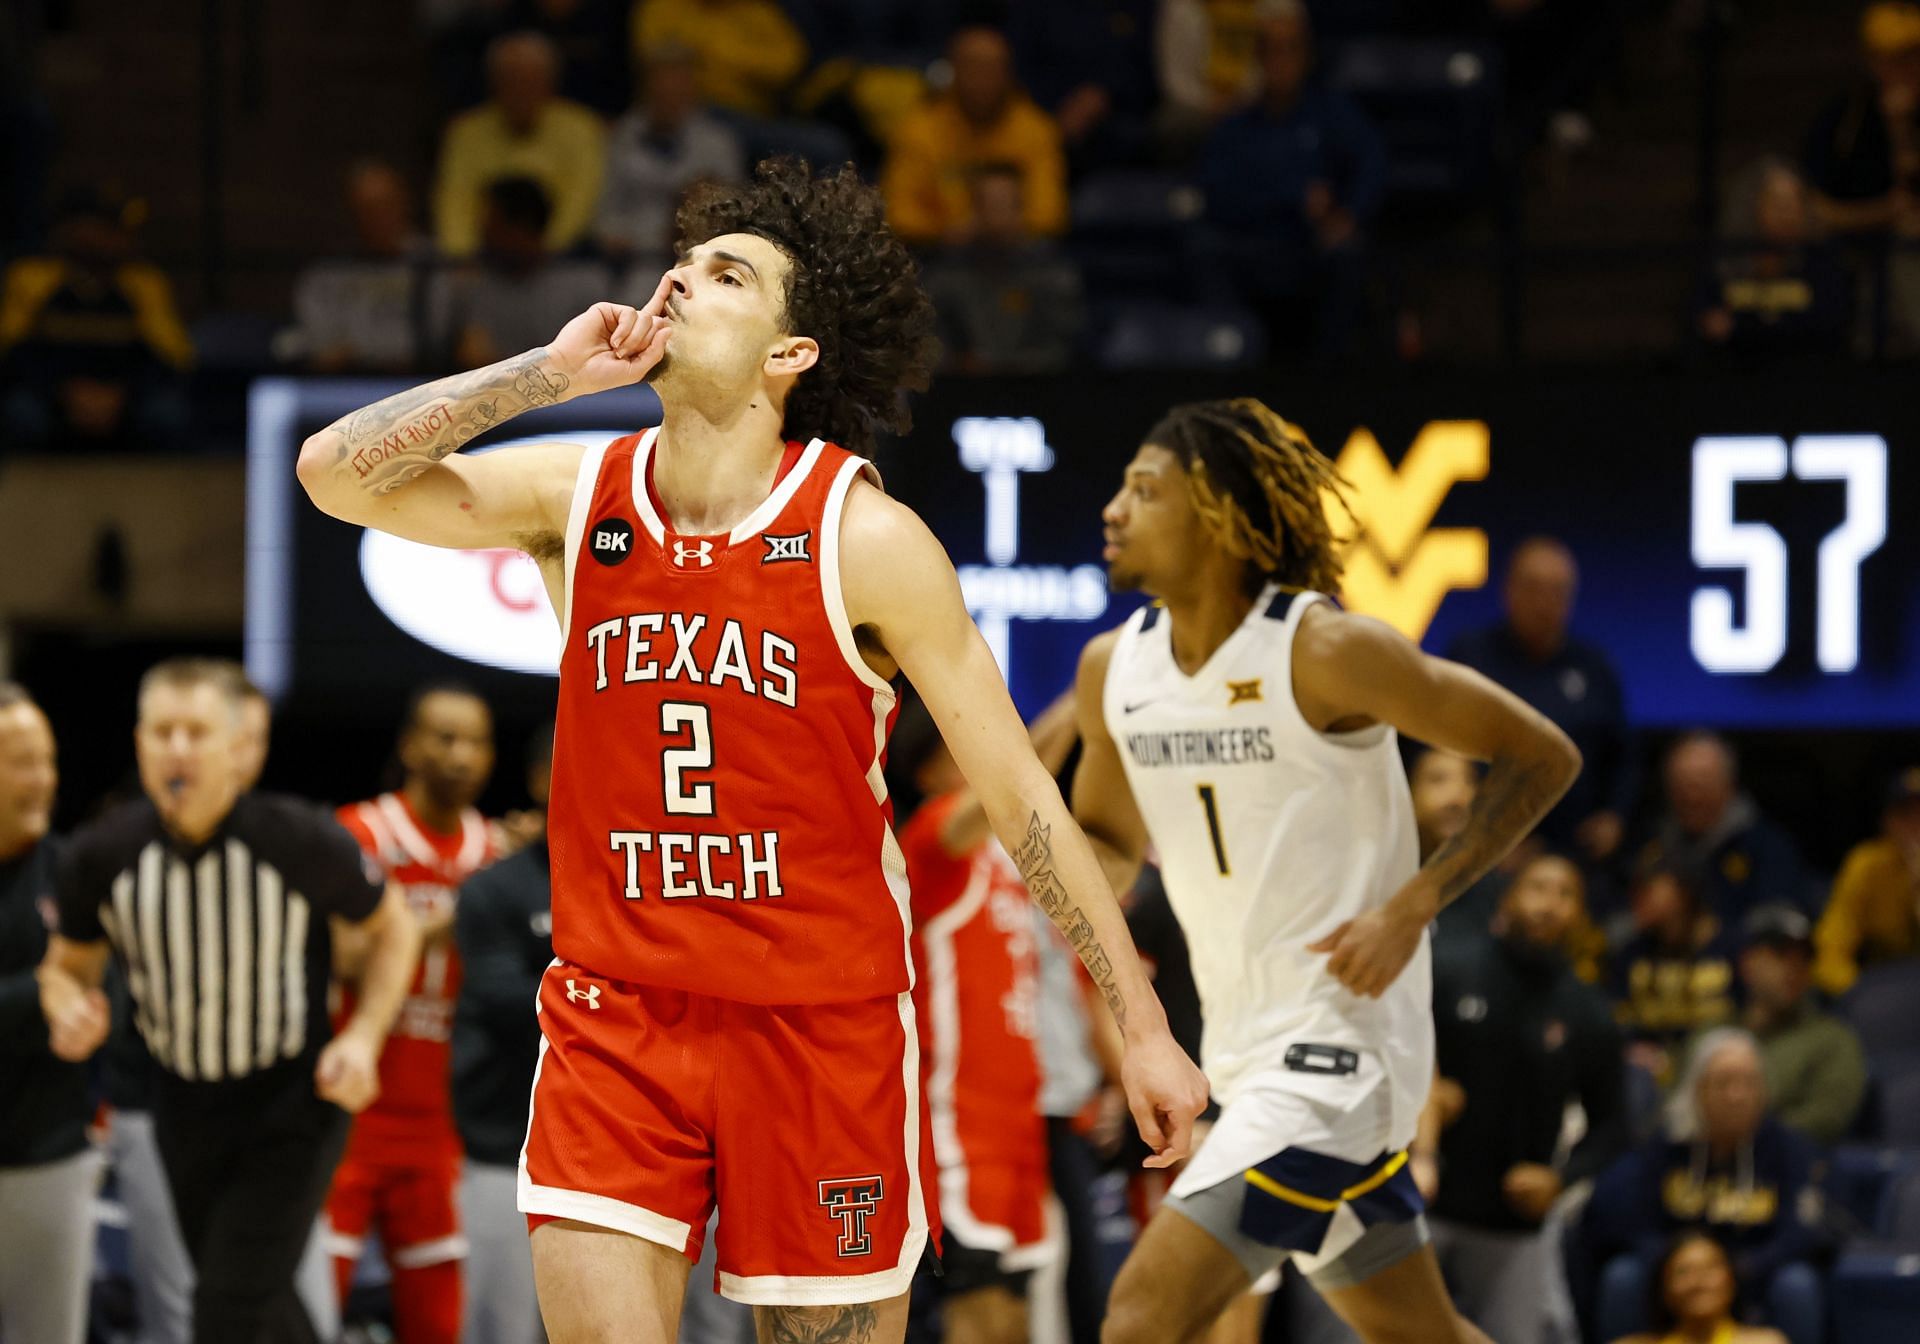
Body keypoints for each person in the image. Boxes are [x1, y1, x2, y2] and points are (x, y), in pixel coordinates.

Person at [294, 157, 1207, 1344]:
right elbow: (333, 475)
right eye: (676, 267)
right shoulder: (581, 496)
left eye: (724, 276)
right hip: (616, 1015)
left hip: (818, 1028)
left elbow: (1023, 797)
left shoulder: (868, 538)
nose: (679, 285)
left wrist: (1140, 1026)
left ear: (790, 354)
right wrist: (552, 373)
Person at [1073, 397, 1580, 1344]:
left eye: (1144, 490)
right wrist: (1048, 870)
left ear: (1219, 515)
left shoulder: (1324, 650)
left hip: (1337, 1065)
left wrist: (1417, 900)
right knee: (1423, 1336)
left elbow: (1543, 754)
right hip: (1244, 1054)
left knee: (1141, 1315)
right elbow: (1102, 839)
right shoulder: (1113, 669)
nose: (1113, 508)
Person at [37, 657, 422, 1344]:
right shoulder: (101, 857)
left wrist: (363, 1036)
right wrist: (69, 1006)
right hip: (182, 1105)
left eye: (196, 731)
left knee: (224, 1308)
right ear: (138, 744)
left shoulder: (298, 839)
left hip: (292, 1103)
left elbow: (395, 927)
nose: (177, 749)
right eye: (162, 731)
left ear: (239, 749)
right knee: (255, 1297)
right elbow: (65, 968)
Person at [899, 695, 1078, 1344]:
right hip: (956, 1131)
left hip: (1021, 1128)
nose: (985, 752)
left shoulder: (1010, 857)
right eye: (963, 746)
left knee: (1019, 1323)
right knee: (978, 1322)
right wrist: (1087, 692)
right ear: (929, 771)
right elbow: (1014, 780)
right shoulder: (932, 837)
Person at [325, 683, 500, 1342]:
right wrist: (436, 925)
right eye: (445, 737)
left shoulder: (495, 854)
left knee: (439, 1323)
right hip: (349, 1114)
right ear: (409, 745)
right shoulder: (359, 833)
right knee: (313, 1311)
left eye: (477, 741)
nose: (461, 755)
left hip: (442, 1125)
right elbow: (340, 957)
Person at [1418, 852, 1628, 1344]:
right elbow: (1391, 1048)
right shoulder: (1449, 970)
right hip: (1419, 1203)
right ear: (1509, 896)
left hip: (1511, 1223)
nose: (1549, 905)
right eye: (1537, 888)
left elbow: (1612, 1125)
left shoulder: (1588, 1012)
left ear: (1581, 913)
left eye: (1565, 894)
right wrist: (1422, 1091)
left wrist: (1560, 1179)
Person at [1583, 1030, 1826, 1344]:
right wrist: (1673, 1263)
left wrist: (1741, 1267)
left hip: (1753, 1271)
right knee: (1623, 1275)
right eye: (1724, 1083)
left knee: (1797, 1284)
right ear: (1698, 1090)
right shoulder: (1665, 1145)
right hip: (1675, 1272)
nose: (1736, 1096)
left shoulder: (1788, 1150)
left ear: (1763, 1092)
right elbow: (1623, 1219)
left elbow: (1803, 1232)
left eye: (1748, 1083)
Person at [1194, 2, 1384, 358]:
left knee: (1349, 255)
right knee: (1205, 249)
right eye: (1269, 50)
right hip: (1253, 245)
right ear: (1258, 58)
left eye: (1289, 49)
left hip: (1309, 246)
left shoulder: (1331, 115)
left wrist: (1349, 214)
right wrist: (1291, 198)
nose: (1279, 60)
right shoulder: (1237, 126)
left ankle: (1332, 378)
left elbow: (1372, 162)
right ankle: (1229, 370)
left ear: (1307, 57)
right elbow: (1216, 194)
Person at [0, 682, 97, 1344]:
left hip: (50, 1159)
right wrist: (41, 992)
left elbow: (101, 996)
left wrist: (89, 1017)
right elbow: (57, 986)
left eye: (48, 760)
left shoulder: (74, 873)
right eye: (19, 760)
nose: (41, 780)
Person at [454, 721, 556, 1344]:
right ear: (541, 778)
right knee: (501, 1331)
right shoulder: (496, 888)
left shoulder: (640, 877)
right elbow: (502, 1001)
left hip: (624, 1152)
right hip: (506, 1150)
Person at [1446, 538, 1636, 865]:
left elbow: (1624, 756)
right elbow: (1436, 751)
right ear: (1509, 590)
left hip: (1575, 853)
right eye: (1533, 588)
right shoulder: (1470, 657)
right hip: (1477, 849)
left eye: (1557, 592)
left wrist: (1614, 817)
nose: (1544, 603)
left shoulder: (1594, 669)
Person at [0, 185, 193, 453]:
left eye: (115, 229)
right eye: (103, 228)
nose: (115, 238)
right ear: (67, 229)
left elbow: (173, 358)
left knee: (166, 413)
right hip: (54, 397)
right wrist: (65, 391)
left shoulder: (142, 281)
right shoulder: (33, 278)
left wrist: (120, 393)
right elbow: (13, 353)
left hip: (122, 399)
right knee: (22, 413)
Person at [1685, 906, 1866, 1147]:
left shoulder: (1832, 1039)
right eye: (1780, 955)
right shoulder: (1710, 1033)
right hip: (1697, 1165)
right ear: (1747, 963)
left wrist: (1740, 1134)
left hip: (1782, 1168)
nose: (1794, 968)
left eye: (1804, 958)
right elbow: (1675, 1104)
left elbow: (1826, 1120)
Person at [882, 25, 1069, 245]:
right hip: (939, 254)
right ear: (954, 70)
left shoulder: (1036, 129)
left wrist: (1002, 227)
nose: (982, 79)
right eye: (973, 67)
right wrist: (947, 231)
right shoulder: (919, 128)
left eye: (992, 68)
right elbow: (898, 212)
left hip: (1018, 251)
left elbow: (1051, 213)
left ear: (1008, 73)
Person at [433, 31, 606, 258]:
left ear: (549, 82)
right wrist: (462, 257)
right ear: (494, 84)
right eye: (511, 80)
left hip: (559, 259)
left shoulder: (582, 128)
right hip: (481, 261)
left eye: (530, 81)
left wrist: (544, 249)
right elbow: (454, 203)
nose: (520, 91)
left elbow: (581, 202)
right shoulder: (466, 132)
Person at [923, 163, 1086, 375]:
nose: (996, 216)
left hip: (1038, 392)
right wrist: (958, 363)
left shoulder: (1052, 275)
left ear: (1021, 209)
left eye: (1004, 205)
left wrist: (1005, 366)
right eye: (987, 205)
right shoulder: (946, 276)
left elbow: (1061, 350)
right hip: (961, 393)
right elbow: (930, 345)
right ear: (973, 210)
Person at [433, 176, 612, 369]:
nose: (482, 235)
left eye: (491, 224)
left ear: (523, 226)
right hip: (501, 395)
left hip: (579, 393)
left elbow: (602, 358)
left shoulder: (583, 285)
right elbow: (474, 356)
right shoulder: (474, 287)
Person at [1637, 735, 1813, 924]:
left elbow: (1777, 932)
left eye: (1701, 783)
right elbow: (1615, 926)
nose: (1691, 796)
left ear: (1728, 785)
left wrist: (1705, 933)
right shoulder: (1653, 846)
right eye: (1681, 784)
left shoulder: (1767, 848)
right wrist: (1645, 919)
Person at [597, 42, 747, 259]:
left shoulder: (719, 143)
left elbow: (733, 216)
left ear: (692, 90)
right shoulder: (624, 133)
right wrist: (612, 236)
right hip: (625, 254)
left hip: (694, 257)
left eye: (677, 87)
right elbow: (606, 206)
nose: (669, 94)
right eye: (661, 87)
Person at [1696, 159, 1851, 358]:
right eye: (1777, 204)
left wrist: (1742, 329)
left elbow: (1829, 322)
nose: (1786, 215)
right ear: (1754, 208)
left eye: (1793, 205)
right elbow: (1704, 316)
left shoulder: (1820, 261)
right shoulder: (1728, 260)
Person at [291, 161, 433, 374]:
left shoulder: (438, 267)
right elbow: (325, 356)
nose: (379, 217)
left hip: (423, 389)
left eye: (386, 205)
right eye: (368, 208)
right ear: (351, 211)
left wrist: (359, 352)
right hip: (349, 389)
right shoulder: (325, 275)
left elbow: (443, 348)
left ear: (405, 203)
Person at [1610, 862, 1740, 1084]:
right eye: (1639, 891)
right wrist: (1631, 1046)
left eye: (1652, 890)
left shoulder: (1728, 947)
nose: (1641, 899)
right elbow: (1617, 1014)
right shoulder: (1631, 952)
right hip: (1649, 1063)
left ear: (1683, 894)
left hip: (1715, 1057)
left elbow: (1743, 1011)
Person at [1812, 766, 1920, 995]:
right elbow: (1829, 950)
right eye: (1905, 814)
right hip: (1883, 989)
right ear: (1887, 821)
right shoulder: (1867, 865)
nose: (1916, 825)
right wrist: (1860, 993)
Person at [630, 0, 808, 120]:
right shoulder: (665, 7)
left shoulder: (756, 11)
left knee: (822, 143)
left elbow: (790, 64)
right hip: (694, 109)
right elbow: (652, 57)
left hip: (756, 113)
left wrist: (723, 55)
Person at [1607, 1232, 1788, 1344]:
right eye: (1683, 1272)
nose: (1699, 1282)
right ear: (1663, 1288)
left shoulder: (1768, 1342)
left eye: (1710, 1268)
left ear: (1731, 1280)